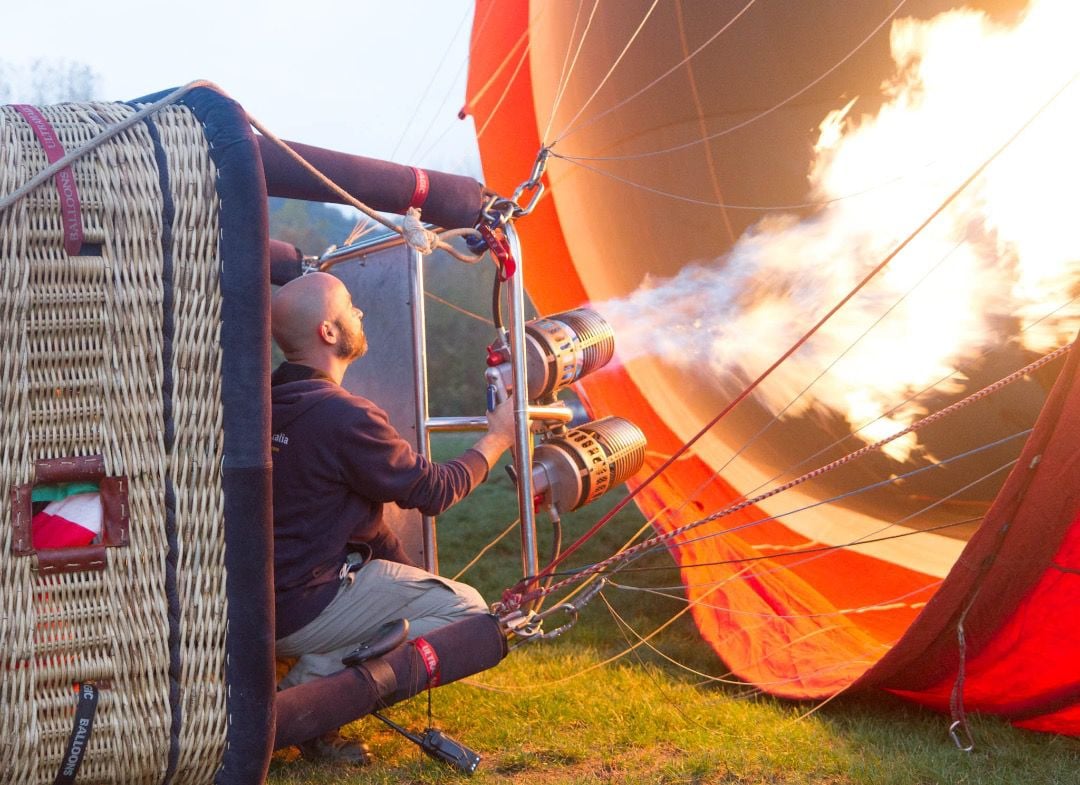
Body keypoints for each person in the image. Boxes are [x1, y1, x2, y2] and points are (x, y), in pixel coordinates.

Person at [269, 271, 515, 764]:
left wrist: (417, 579)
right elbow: (435, 490)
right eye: (350, 306)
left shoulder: (261, 406)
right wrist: (499, 438)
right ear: (328, 332)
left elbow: (364, 525)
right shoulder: (343, 416)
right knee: (465, 612)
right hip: (301, 609)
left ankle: (314, 693)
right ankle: (302, 704)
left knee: (405, 595)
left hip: (249, 609)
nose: (359, 312)